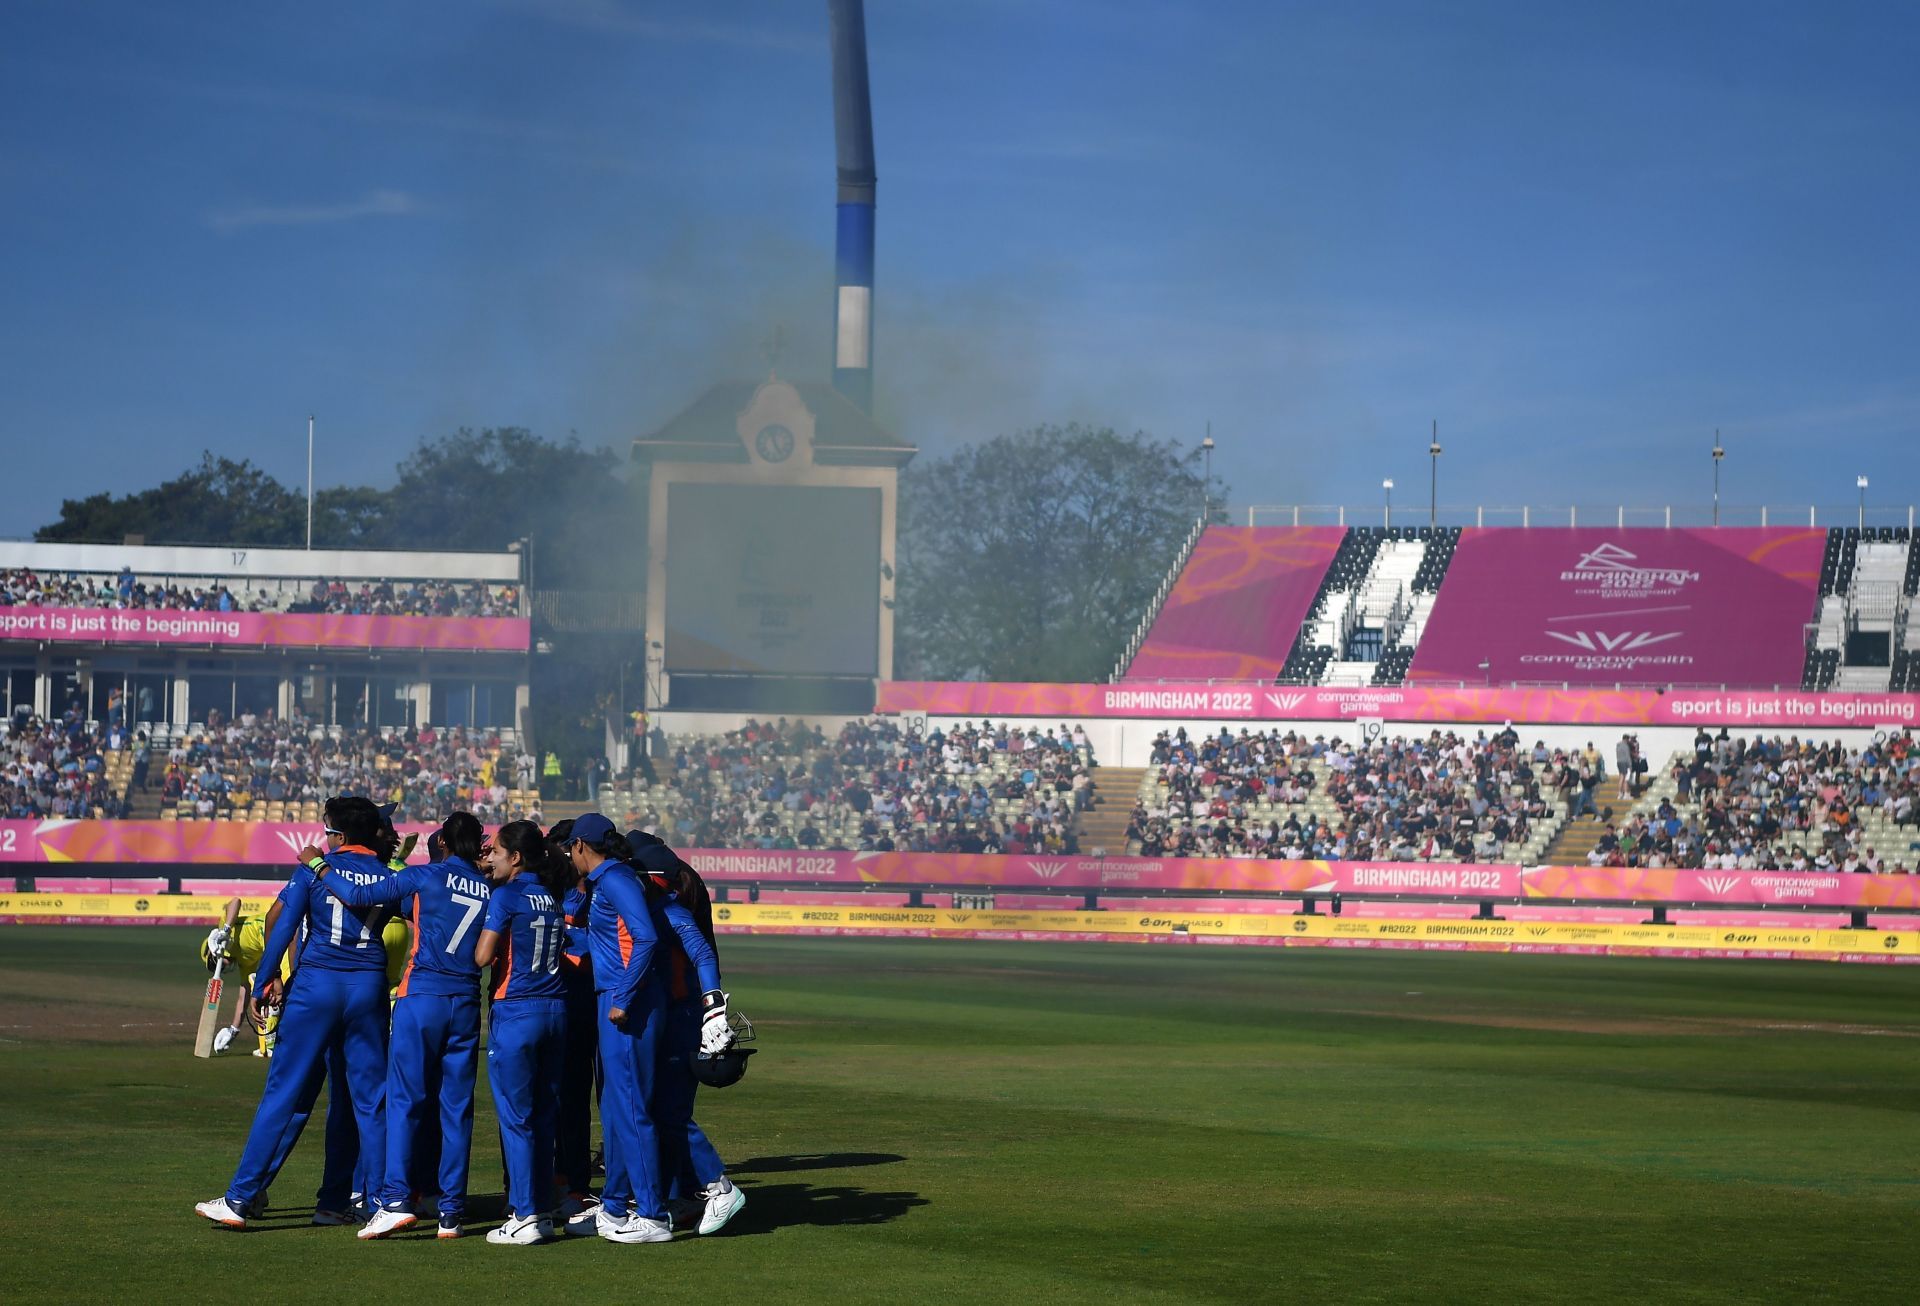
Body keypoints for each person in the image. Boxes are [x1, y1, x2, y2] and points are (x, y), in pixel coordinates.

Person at [194, 796, 396, 1230]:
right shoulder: (387, 875)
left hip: (318, 985)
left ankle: (240, 1198)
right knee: (368, 1101)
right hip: (368, 987)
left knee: (283, 1094)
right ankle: (373, 1204)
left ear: (338, 835)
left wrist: (265, 979)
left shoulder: (314, 869)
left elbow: (282, 922)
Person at [308, 813, 492, 1241]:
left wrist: (317, 865)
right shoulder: (487, 887)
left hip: (422, 996)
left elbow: (355, 894)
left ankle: (393, 1201)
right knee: (456, 1108)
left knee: (405, 1101)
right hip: (466, 1003)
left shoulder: (424, 877)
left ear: (443, 841)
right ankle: (450, 1211)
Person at [628, 831, 746, 1236]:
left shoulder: (669, 909)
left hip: (682, 1015)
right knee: (660, 1110)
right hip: (671, 1014)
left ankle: (719, 1186)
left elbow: (702, 955)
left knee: (669, 1111)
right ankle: (680, 1195)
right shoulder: (653, 905)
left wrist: (713, 1009)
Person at [565, 812, 672, 1243]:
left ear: (579, 847)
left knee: (631, 1110)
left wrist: (623, 999)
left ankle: (653, 1216)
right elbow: (607, 941)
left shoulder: (615, 880)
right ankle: (613, 1208)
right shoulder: (605, 881)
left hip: (626, 1003)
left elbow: (644, 938)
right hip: (612, 997)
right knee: (614, 1109)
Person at [474, 820, 572, 1244]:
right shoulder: (550, 897)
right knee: (546, 1117)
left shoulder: (506, 895)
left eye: (495, 851)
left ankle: (525, 1215)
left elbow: (482, 956)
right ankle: (543, 1212)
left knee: (517, 1120)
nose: (489, 858)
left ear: (515, 858)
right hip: (556, 1010)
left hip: (516, 1012)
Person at [547, 818, 601, 1221]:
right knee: (562, 1094)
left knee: (575, 1093)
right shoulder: (557, 890)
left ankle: (575, 1182)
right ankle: (563, 1178)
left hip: (584, 1000)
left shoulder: (593, 890)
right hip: (562, 999)